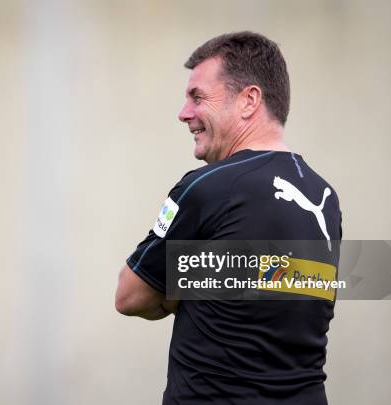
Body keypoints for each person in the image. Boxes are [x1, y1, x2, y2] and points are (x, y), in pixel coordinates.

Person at [115, 32, 342, 405]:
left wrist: (190, 280)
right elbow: (290, 288)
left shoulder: (208, 188)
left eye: (197, 97)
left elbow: (130, 295)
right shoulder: (325, 198)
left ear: (249, 100)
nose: (183, 113)